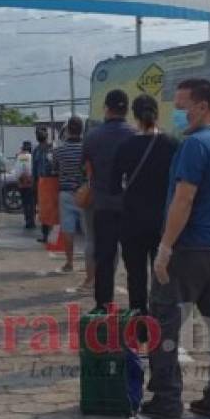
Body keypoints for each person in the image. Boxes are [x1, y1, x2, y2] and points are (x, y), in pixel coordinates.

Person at [143, 79, 210, 419]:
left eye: (182, 105)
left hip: (189, 250)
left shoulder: (195, 146)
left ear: (202, 106)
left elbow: (184, 199)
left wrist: (165, 248)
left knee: (164, 323)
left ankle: (167, 399)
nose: (177, 112)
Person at [113, 94, 177, 340]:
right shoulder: (173, 144)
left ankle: (139, 328)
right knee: (162, 277)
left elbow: (112, 187)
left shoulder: (126, 147)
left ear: (135, 117)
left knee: (136, 278)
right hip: (164, 223)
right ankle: (163, 327)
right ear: (157, 114)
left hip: (132, 222)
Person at [83, 89, 137, 308]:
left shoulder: (93, 136)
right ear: (127, 109)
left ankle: (103, 306)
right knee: (134, 262)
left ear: (106, 108)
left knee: (104, 258)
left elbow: (87, 170)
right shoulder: (136, 135)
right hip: (131, 208)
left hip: (103, 206)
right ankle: (137, 309)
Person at [54, 116, 86, 274]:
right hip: (84, 193)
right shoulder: (87, 149)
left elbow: (54, 169)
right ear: (82, 130)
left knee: (68, 229)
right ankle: (89, 264)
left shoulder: (59, 150)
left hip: (65, 192)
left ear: (67, 130)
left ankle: (69, 262)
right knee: (88, 230)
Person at [33, 126, 56, 243]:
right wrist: (34, 183)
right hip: (41, 183)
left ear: (47, 135)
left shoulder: (52, 149)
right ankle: (45, 235)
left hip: (52, 182)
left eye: (42, 132)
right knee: (43, 211)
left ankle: (53, 237)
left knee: (52, 210)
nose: (40, 134)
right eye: (38, 132)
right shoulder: (36, 151)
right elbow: (34, 169)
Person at [14, 141, 36, 230]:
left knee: (25, 203)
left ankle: (27, 220)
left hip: (21, 183)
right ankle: (31, 221)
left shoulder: (19, 157)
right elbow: (32, 170)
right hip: (30, 182)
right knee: (31, 203)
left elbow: (17, 171)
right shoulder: (31, 157)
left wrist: (19, 179)